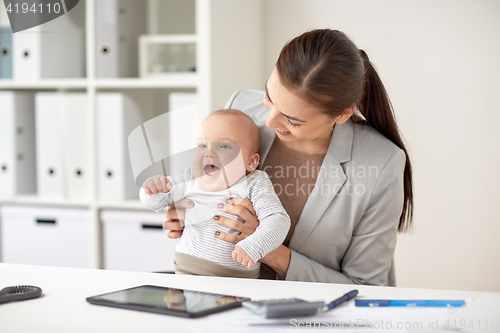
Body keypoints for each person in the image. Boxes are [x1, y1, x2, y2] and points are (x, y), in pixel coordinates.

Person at [162, 29, 413, 286]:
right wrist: (186, 211)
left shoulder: (380, 162)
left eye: (292, 120)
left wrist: (266, 246)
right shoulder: (242, 108)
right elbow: (198, 176)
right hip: (216, 294)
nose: (269, 121)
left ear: (342, 114)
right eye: (269, 97)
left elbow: (366, 287)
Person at [140, 109, 291, 278]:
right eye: (202, 145)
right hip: (184, 271)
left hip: (235, 279)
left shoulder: (254, 182)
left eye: (225, 146)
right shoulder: (190, 177)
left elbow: (278, 219)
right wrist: (152, 189)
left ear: (251, 162)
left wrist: (254, 245)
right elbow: (158, 201)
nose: (209, 152)